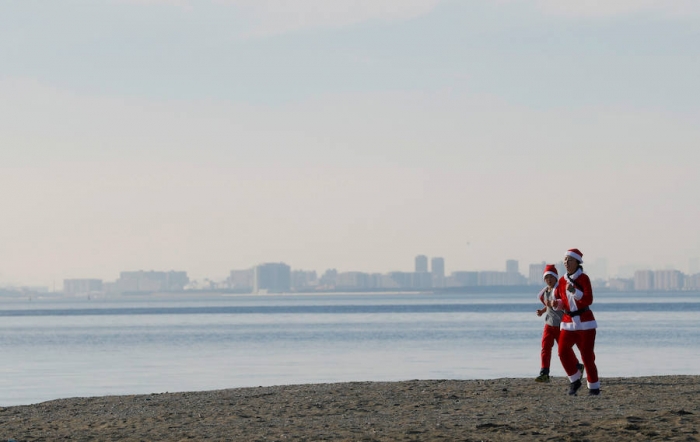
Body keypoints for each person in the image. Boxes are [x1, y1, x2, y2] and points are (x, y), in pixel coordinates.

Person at [548, 248, 600, 396]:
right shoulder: (562, 281)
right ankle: (575, 379)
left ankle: (594, 388)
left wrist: (574, 291)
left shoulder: (584, 279)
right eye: (565, 260)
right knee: (562, 352)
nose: (566, 263)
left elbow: (588, 300)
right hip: (568, 322)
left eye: (570, 260)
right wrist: (556, 304)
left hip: (586, 323)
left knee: (587, 356)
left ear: (577, 262)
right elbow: (562, 302)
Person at [535, 264, 583, 382]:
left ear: (556, 277)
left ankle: (577, 366)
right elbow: (548, 305)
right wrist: (542, 311)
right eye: (547, 278)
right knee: (545, 347)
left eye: (551, 277)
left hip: (561, 326)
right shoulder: (546, 292)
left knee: (564, 350)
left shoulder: (559, 291)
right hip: (549, 324)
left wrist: (558, 304)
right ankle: (544, 373)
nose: (549, 280)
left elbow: (565, 303)